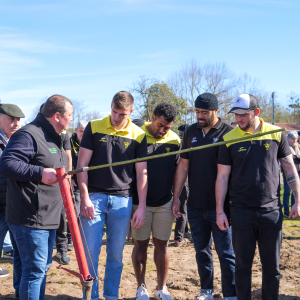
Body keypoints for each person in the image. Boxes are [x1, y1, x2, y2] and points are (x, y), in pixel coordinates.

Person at [216, 93, 300, 299]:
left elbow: (289, 170)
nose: (239, 119)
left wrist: (298, 199)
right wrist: (220, 210)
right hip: (241, 211)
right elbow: (222, 177)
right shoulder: (228, 139)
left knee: (272, 268)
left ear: (256, 112)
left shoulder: (276, 134)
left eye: (243, 114)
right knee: (242, 267)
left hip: (271, 211)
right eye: (236, 115)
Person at [0, 95, 73, 299]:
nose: (71, 120)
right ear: (57, 116)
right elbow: (6, 164)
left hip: (47, 217)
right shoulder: (29, 134)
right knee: (35, 272)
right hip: (30, 218)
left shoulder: (54, 136)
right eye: (70, 116)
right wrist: (40, 173)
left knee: (34, 269)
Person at [77, 91, 148, 300]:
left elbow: (142, 172)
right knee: (90, 254)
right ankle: (90, 297)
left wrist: (141, 206)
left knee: (116, 256)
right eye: (114, 112)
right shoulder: (94, 126)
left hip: (122, 201)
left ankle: (111, 296)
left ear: (131, 111)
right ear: (110, 106)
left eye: (122, 114)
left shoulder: (138, 134)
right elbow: (82, 165)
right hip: (94, 198)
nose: (117, 118)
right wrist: (84, 197)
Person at [172, 93, 236, 300]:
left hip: (222, 207)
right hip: (196, 205)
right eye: (197, 112)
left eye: (204, 113)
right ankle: (206, 290)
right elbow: (183, 165)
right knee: (201, 251)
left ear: (216, 111)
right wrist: (177, 197)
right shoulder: (191, 131)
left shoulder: (230, 133)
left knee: (226, 255)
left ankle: (230, 294)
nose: (199, 116)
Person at [132, 103, 180, 300]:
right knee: (140, 245)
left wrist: (176, 199)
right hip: (138, 203)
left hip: (164, 203)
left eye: (167, 127)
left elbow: (179, 172)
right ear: (152, 117)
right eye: (160, 125)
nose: (162, 131)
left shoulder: (175, 141)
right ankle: (141, 287)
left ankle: (161, 288)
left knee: (162, 246)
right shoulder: (137, 135)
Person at [0, 104, 25, 279]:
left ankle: (18, 290)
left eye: (18, 120)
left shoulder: (17, 141)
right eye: (11, 119)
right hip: (1, 207)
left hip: (15, 206)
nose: (16, 123)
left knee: (19, 252)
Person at [66, 120, 88, 250]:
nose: (83, 134)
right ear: (76, 130)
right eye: (81, 131)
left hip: (88, 182)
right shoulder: (69, 142)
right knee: (76, 210)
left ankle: (82, 236)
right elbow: (65, 160)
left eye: (85, 132)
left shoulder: (91, 142)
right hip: (75, 182)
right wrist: (70, 177)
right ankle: (71, 238)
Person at [174, 124, 191, 247]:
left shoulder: (177, 143)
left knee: (180, 208)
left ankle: (183, 232)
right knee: (182, 209)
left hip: (177, 181)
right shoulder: (184, 145)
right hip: (182, 181)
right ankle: (178, 237)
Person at [282, 131, 300, 216]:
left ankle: (294, 210)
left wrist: (297, 157)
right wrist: (296, 158)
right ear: (288, 138)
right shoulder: (286, 147)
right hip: (287, 172)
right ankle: (286, 210)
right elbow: (292, 160)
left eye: (296, 138)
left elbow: (296, 158)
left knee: (295, 192)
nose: (295, 140)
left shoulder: (298, 147)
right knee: (287, 192)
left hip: (298, 171)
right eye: (293, 138)